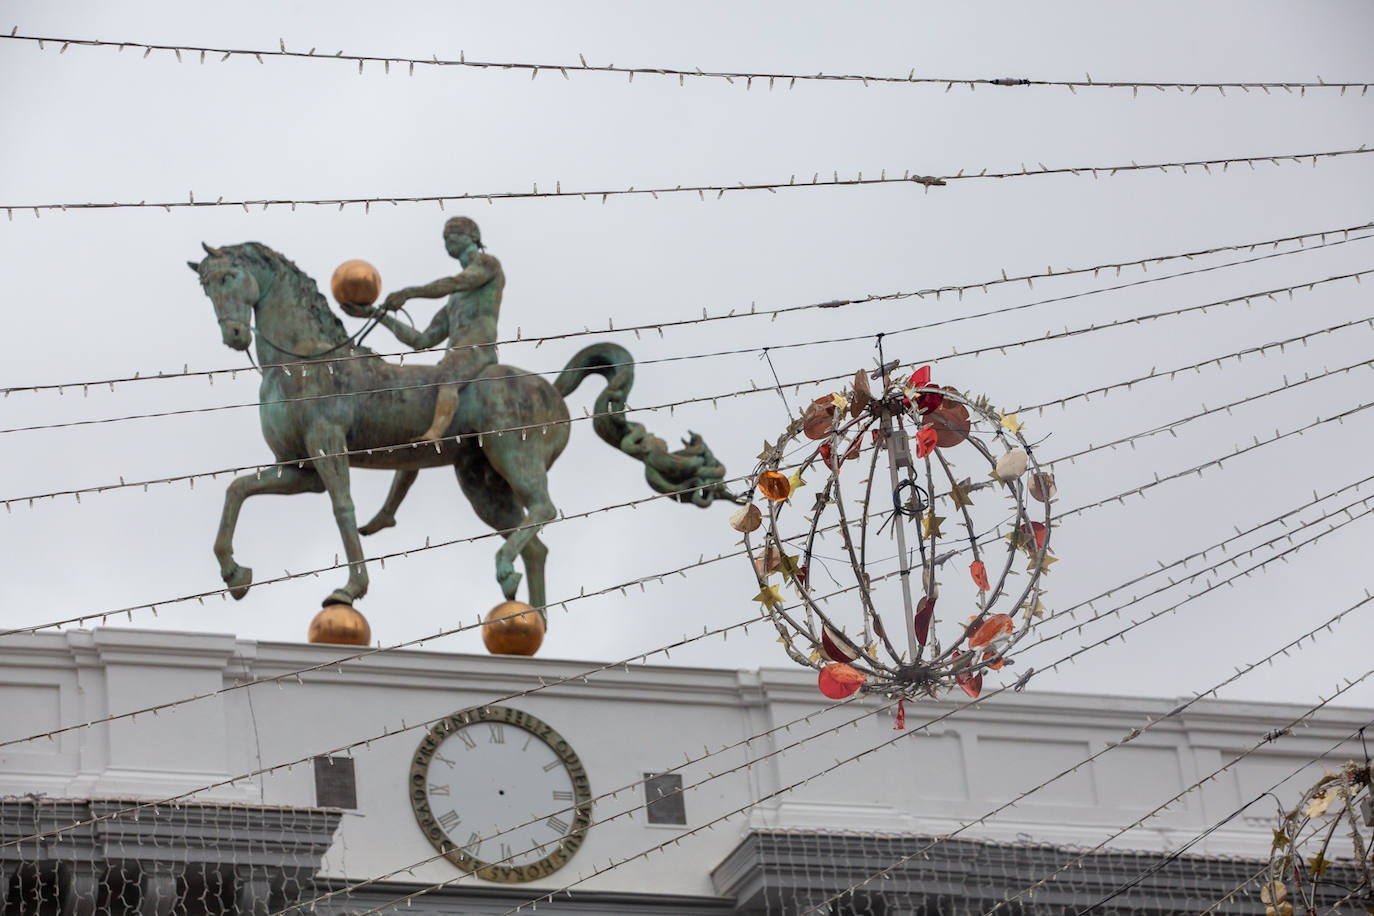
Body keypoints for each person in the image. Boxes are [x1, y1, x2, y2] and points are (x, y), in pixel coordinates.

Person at [353, 217, 504, 442]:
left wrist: (409, 293)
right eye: (445, 236)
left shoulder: (488, 264)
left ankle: (434, 434)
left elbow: (455, 282)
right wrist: (376, 314)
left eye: (455, 232)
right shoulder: (455, 300)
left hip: (477, 350)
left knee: (447, 376)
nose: (448, 238)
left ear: (473, 236)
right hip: (454, 356)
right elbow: (422, 339)